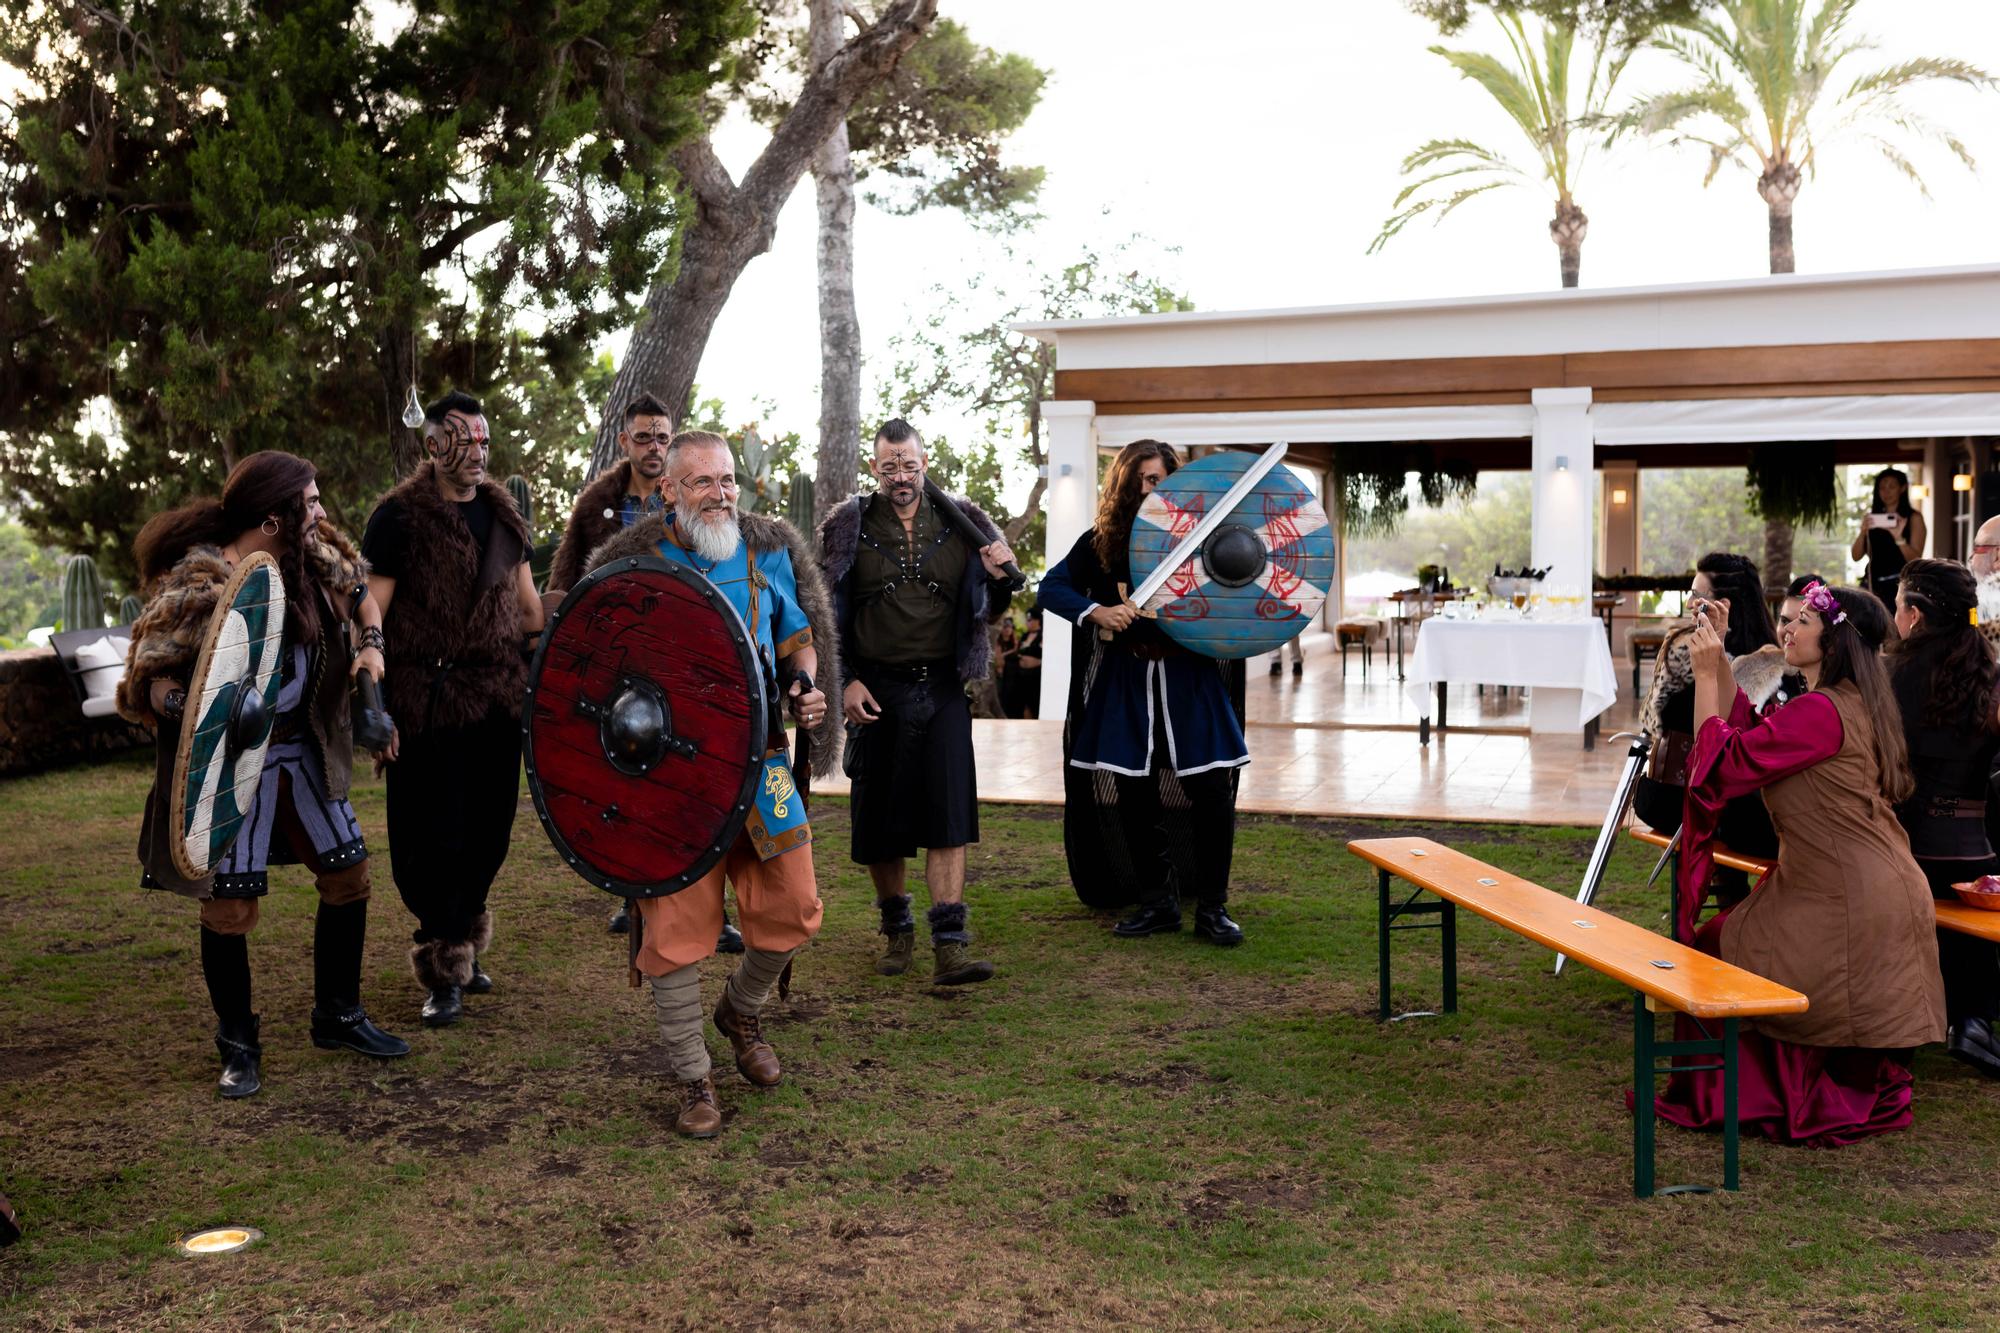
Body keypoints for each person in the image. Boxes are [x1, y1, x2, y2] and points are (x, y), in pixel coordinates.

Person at [118, 451, 407, 1098]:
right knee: (229, 906)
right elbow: (148, 680)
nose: (321, 512)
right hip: (228, 762)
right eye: (309, 502)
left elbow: (361, 592)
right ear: (274, 517)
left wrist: (370, 649)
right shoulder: (199, 583)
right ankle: (238, 1044)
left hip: (302, 749)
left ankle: (338, 1014)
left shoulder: (314, 562)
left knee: (349, 874)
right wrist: (193, 708)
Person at [584, 429, 838, 1138]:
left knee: (796, 900)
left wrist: (806, 684)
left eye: (727, 481)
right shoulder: (635, 564)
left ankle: (741, 1009)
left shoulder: (764, 553)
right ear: (668, 489)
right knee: (674, 928)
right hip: (668, 777)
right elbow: (592, 669)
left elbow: (799, 639)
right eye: (703, 483)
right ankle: (694, 1073)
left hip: (760, 760)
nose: (721, 495)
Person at [1653, 583, 1944, 1145]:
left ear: (1833, 639)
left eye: (1803, 620)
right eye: (1788, 619)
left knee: (1717, 955)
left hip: (1847, 894)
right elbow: (1748, 733)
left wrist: (1711, 668)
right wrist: (1717, 663)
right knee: (1722, 946)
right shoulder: (1842, 703)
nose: (1787, 629)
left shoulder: (1820, 711)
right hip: (1850, 881)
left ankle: (1740, 1095)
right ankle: (1756, 1088)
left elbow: (1725, 765)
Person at [363, 391, 544, 1027]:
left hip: (494, 698)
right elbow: (371, 618)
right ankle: (443, 961)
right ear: (433, 443)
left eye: (483, 442)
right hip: (425, 701)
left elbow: (528, 611)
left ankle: (462, 938)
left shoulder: (504, 517)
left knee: (487, 833)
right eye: (462, 440)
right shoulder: (398, 519)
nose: (475, 453)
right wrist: (374, 706)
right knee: (427, 837)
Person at [818, 419, 1017, 984]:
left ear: (924, 463)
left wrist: (998, 576)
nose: (900, 477)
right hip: (875, 690)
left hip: (944, 688)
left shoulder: (961, 521)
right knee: (881, 820)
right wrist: (846, 680)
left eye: (908, 465)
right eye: (889, 467)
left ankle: (949, 943)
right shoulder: (848, 525)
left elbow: (990, 606)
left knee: (949, 815)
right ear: (874, 468)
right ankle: (897, 929)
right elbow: (824, 608)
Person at [545, 392, 745, 953]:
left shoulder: (701, 499)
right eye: (644, 437)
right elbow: (571, 585)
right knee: (632, 779)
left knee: (704, 788)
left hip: (692, 661)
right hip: (622, 666)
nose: (654, 446)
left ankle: (712, 906)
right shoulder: (596, 506)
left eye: (662, 436)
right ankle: (634, 890)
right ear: (623, 442)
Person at [1035, 439, 1249, 944]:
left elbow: (1240, 594)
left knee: (1211, 792)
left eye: (1162, 478)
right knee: (1135, 794)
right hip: (1129, 680)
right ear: (1127, 485)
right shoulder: (1104, 542)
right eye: (1146, 480)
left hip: (1190, 680)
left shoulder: (1204, 539)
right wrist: (1098, 612)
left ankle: (1213, 909)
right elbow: (1051, 587)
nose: (1154, 488)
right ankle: (1158, 903)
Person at [1888, 559, 2000, 1077]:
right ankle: (1972, 1020)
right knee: (1965, 907)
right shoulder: (1990, 672)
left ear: (1913, 615)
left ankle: (1912, 1018)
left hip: (1906, 849)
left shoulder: (1894, 674)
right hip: (1976, 854)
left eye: (1897, 606)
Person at [1634, 554, 1786, 882]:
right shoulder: (1771, 656)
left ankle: (1730, 895)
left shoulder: (1689, 647)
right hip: (1708, 801)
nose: (1690, 603)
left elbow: (1652, 723)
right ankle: (1733, 895)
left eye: (1697, 596)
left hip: (1691, 797)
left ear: (1723, 605)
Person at [1850, 466, 1925, 606]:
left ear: (1902, 488)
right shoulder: (1873, 517)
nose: (1886, 492)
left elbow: (1916, 559)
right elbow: (1855, 556)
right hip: (1872, 586)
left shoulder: (1913, 517)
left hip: (1900, 588)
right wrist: (1863, 531)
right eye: (1882, 487)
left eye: (1892, 486)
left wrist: (1899, 539)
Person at [1016, 611, 1043, 719]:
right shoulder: (1024, 635)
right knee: (1023, 702)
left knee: (1034, 701)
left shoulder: (1043, 634)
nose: (1027, 623)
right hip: (1022, 674)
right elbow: (1018, 651)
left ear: (1037, 620)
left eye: (1030, 620)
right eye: (1027, 620)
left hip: (1035, 674)